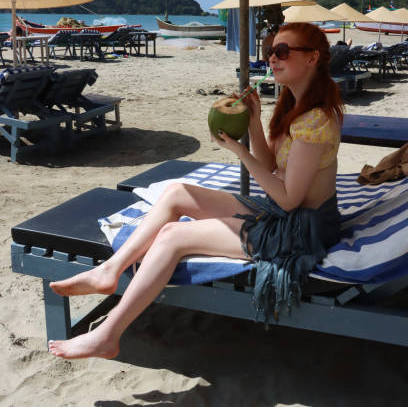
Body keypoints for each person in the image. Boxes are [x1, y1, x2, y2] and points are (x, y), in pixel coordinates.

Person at [48, 22, 344, 360]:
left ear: (312, 59)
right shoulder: (291, 105)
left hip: (303, 228)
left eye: (282, 52)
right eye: (269, 52)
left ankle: (107, 334)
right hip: (283, 211)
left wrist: (240, 153)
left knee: (174, 236)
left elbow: (289, 196)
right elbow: (271, 164)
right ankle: (109, 271)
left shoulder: (316, 119)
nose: (272, 60)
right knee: (177, 193)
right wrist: (252, 123)